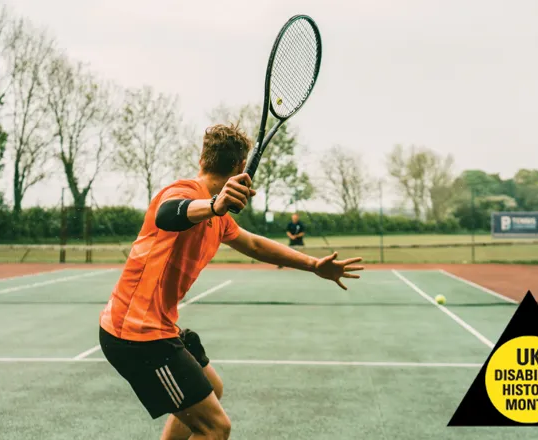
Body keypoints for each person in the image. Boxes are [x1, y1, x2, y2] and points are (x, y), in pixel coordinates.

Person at [98, 123, 364, 440]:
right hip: (136, 336)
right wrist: (213, 205)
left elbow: (253, 244)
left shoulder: (219, 218)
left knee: (213, 389)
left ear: (202, 158)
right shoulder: (184, 193)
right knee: (216, 428)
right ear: (240, 166)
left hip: (154, 326)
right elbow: (168, 214)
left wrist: (313, 264)